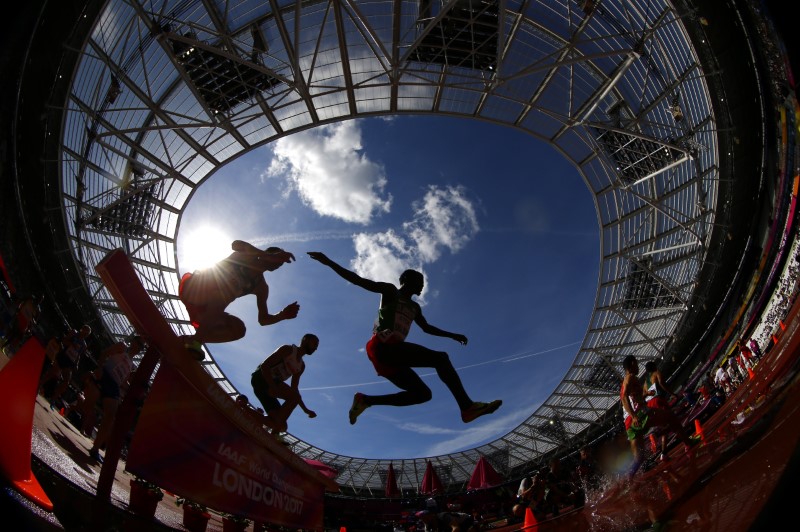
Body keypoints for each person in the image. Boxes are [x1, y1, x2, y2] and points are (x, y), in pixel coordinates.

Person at [307, 251, 501, 425]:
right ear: (407, 279)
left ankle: (366, 400)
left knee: (423, 394)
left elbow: (426, 328)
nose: (423, 286)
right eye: (420, 281)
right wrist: (329, 262)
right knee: (440, 359)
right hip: (382, 347)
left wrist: (452, 335)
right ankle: (467, 407)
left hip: (392, 357)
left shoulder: (415, 308)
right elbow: (358, 280)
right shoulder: (390, 292)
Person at [178, 240, 300, 358]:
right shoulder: (244, 256)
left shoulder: (261, 287)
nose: (278, 263)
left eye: (281, 262)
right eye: (278, 258)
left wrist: (282, 315)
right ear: (267, 253)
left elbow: (263, 319)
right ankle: (197, 340)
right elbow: (236, 244)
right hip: (195, 289)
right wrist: (268, 255)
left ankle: (191, 339)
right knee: (227, 290)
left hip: (207, 311)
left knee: (238, 329)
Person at [620, 355, 697, 476]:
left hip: (629, 423)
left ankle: (626, 480)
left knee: (638, 459)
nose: (638, 366)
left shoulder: (632, 380)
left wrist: (646, 395)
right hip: (639, 416)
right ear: (632, 364)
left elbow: (632, 398)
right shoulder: (629, 377)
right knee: (671, 418)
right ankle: (688, 444)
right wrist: (634, 415)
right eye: (636, 363)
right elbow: (624, 398)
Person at [88, 335, 145, 462]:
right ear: (133, 342)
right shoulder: (121, 347)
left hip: (114, 385)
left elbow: (123, 381)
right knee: (88, 407)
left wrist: (132, 390)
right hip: (105, 375)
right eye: (138, 343)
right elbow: (104, 353)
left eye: (141, 346)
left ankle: (95, 448)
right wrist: (99, 368)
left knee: (110, 416)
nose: (139, 347)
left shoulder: (131, 365)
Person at [251, 333, 320, 433]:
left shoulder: (301, 366)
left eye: (317, 346)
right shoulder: (288, 350)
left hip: (269, 389)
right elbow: (264, 366)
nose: (316, 348)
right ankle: (274, 433)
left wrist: (305, 410)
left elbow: (294, 389)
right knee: (294, 397)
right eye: (315, 344)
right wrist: (273, 387)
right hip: (261, 378)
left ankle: (245, 410)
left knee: (281, 425)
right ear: (305, 340)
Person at [40, 324, 92, 409]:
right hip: (63, 356)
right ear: (82, 329)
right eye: (85, 332)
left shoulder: (84, 345)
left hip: (70, 361)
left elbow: (79, 355)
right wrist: (72, 343)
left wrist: (77, 363)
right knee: (51, 374)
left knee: (66, 381)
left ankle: (53, 399)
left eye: (87, 334)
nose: (85, 335)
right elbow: (64, 341)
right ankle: (39, 386)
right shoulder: (74, 333)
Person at [643, 360, 681, 460]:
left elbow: (643, 395)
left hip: (650, 404)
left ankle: (664, 453)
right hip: (658, 400)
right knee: (673, 420)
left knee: (666, 424)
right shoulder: (656, 373)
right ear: (654, 366)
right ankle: (686, 442)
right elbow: (662, 383)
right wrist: (672, 394)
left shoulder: (645, 383)